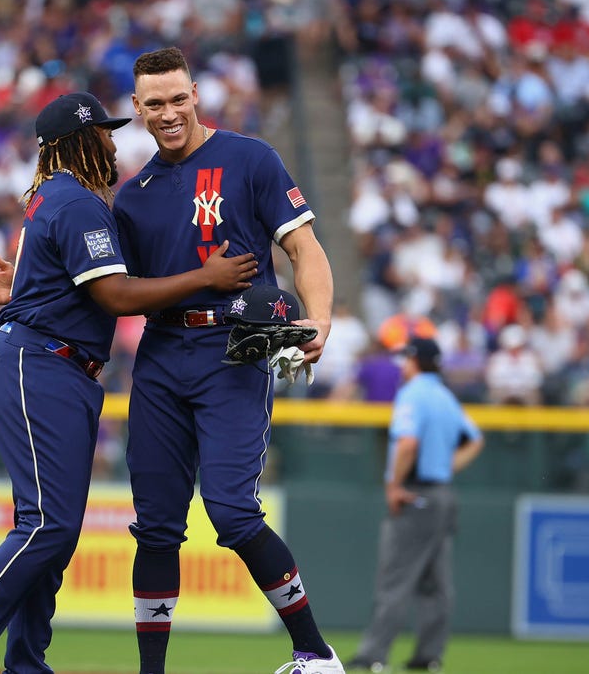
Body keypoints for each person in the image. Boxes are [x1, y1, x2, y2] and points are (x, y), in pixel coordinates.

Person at [0, 91, 257, 674]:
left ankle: (24, 664)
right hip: (40, 362)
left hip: (57, 363)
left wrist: (19, 289)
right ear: (78, 141)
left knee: (51, 531)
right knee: (48, 524)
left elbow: (59, 284)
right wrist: (205, 275)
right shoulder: (75, 202)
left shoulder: (64, 198)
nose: (113, 140)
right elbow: (114, 295)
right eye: (102, 132)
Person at [114, 47, 340, 674]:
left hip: (233, 352)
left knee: (234, 512)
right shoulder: (134, 197)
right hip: (160, 356)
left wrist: (318, 318)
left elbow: (303, 247)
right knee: (155, 527)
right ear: (137, 109)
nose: (168, 112)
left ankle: (315, 653)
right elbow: (111, 289)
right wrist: (19, 293)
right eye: (153, 103)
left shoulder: (249, 158)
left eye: (177, 98)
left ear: (196, 95)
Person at [345, 337, 483, 673]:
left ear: (417, 361)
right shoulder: (445, 396)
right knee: (436, 584)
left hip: (416, 493)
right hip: (443, 494)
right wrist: (447, 466)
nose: (402, 367)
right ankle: (429, 656)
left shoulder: (413, 393)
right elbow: (475, 439)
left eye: (406, 360)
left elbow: (408, 443)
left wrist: (393, 485)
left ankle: (374, 654)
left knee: (395, 579)